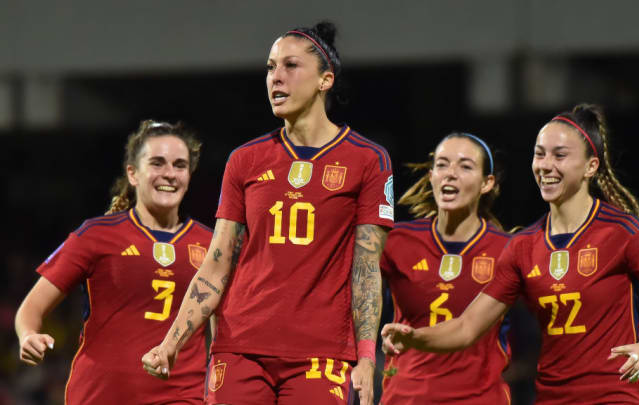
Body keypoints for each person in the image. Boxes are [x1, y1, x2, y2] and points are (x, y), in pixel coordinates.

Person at [382, 104, 639, 404]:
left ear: (591, 166)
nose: (546, 165)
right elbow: (467, 327)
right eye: (539, 155)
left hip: (616, 395)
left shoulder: (623, 232)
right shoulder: (523, 246)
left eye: (560, 155)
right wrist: (415, 338)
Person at [141, 21, 393, 405]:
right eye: (270, 67)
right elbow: (217, 262)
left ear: (326, 80)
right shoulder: (245, 159)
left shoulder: (368, 160)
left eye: (290, 66)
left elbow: (366, 269)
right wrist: (170, 343)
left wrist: (365, 357)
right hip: (240, 347)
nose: (275, 78)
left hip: (321, 353)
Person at [15, 120, 213, 404]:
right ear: (132, 173)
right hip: (101, 396)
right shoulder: (95, 235)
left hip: (182, 397)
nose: (169, 174)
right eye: (157, 163)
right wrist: (28, 335)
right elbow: (31, 308)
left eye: (180, 165)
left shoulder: (213, 244)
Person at [380, 133, 512, 404]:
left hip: (479, 399)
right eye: (442, 165)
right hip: (405, 397)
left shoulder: (509, 250)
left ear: (487, 183)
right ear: (431, 176)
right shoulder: (395, 241)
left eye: (465, 166)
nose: (450, 173)